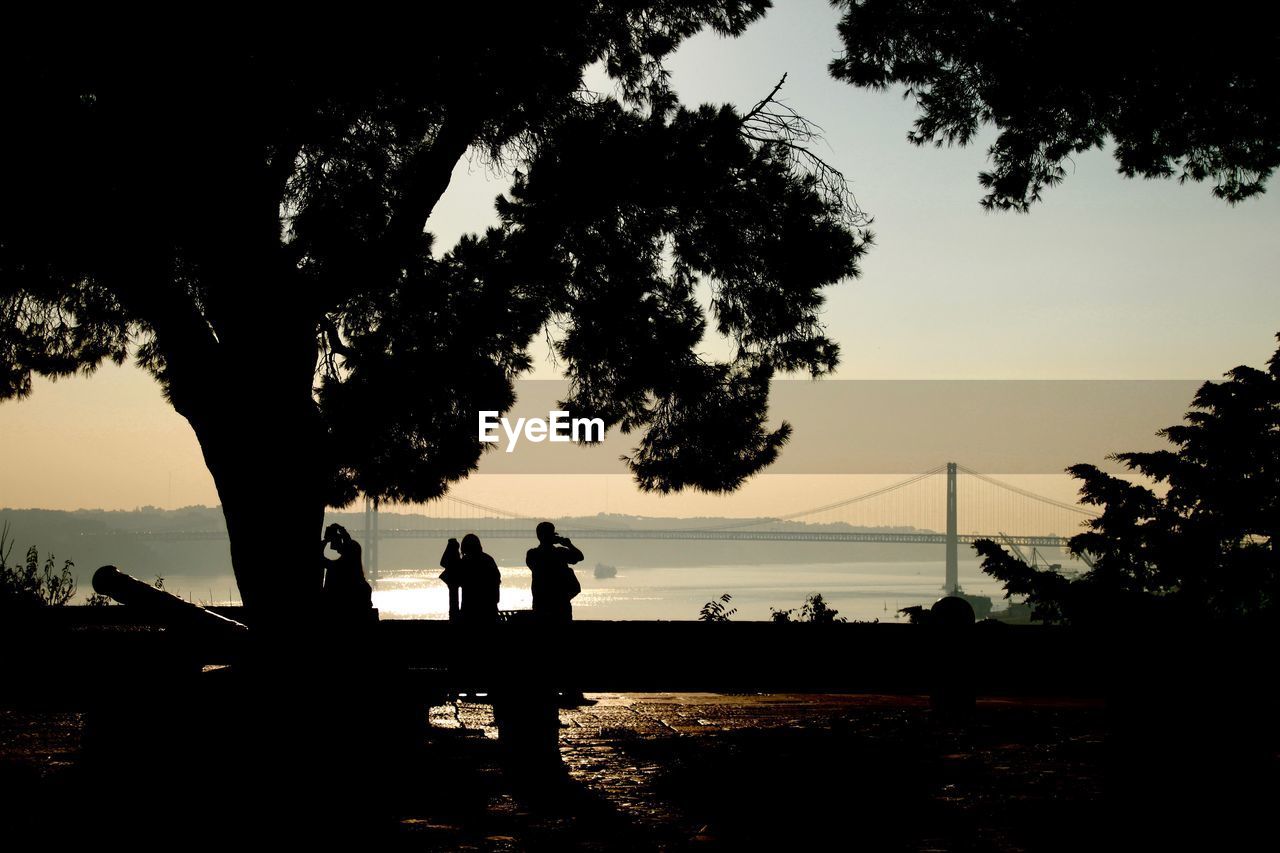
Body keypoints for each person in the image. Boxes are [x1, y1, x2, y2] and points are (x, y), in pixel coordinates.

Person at [525, 521, 583, 622]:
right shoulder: (560, 552)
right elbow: (579, 557)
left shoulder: (532, 554)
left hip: (541, 603)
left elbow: (579, 557)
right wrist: (568, 544)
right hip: (560, 604)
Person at [438, 533, 501, 622]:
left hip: (469, 614)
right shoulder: (489, 560)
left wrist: (452, 549)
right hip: (490, 612)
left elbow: (445, 564)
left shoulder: (466, 562)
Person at [321, 523, 373, 622]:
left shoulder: (340, 565)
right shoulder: (354, 555)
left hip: (347, 597)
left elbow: (323, 561)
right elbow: (349, 543)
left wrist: (325, 541)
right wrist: (342, 531)